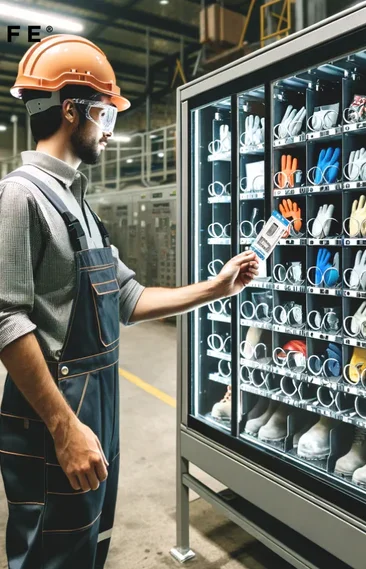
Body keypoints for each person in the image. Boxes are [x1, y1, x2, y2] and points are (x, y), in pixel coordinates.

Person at [0, 34, 258, 569]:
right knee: (47, 553)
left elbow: (126, 296)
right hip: (57, 413)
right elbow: (6, 320)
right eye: (106, 117)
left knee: (87, 545)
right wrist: (65, 427)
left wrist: (216, 288)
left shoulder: (78, 203)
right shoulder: (21, 196)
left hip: (98, 405)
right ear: (72, 111)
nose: (111, 135)